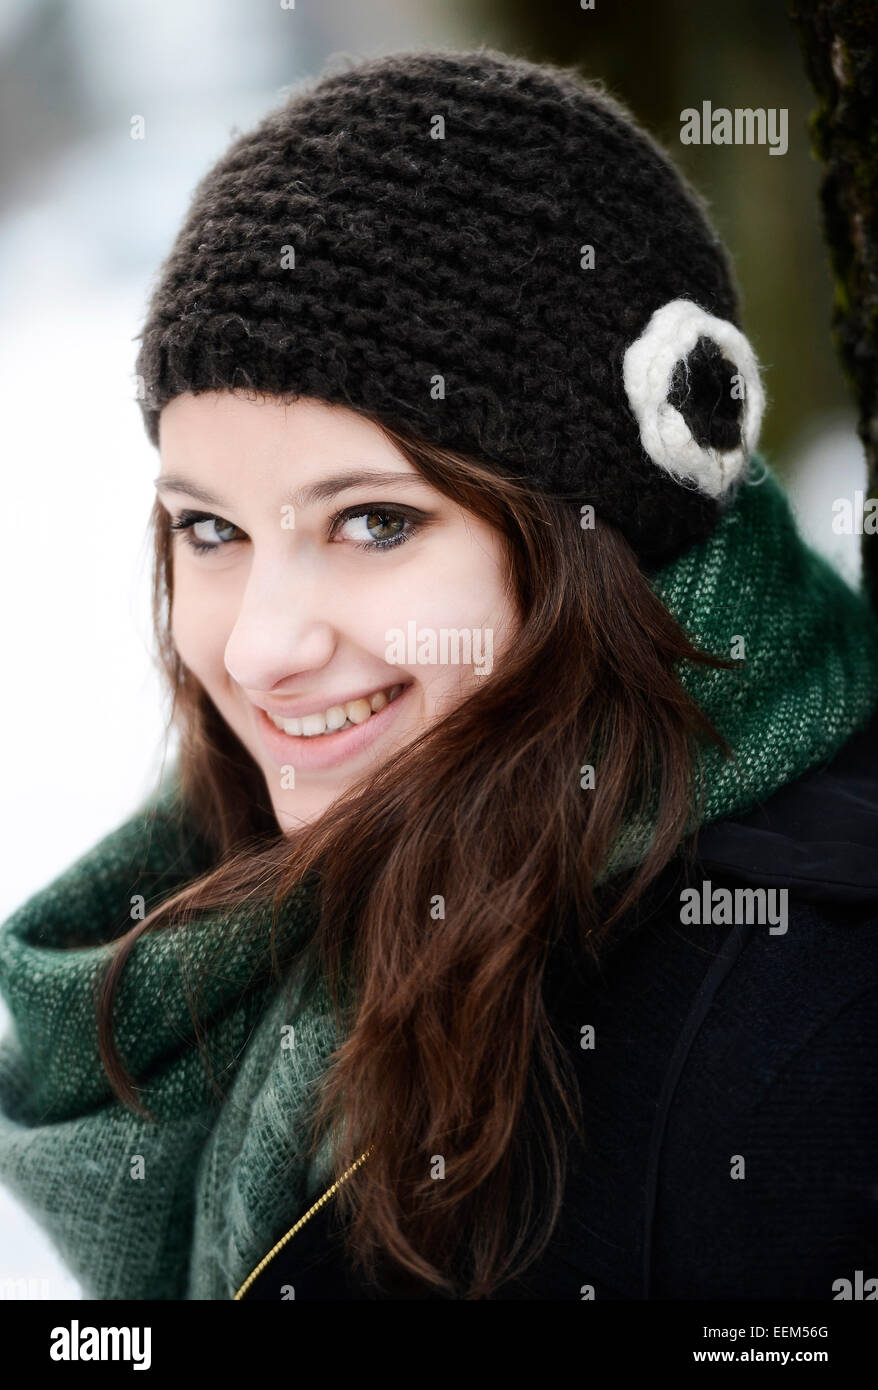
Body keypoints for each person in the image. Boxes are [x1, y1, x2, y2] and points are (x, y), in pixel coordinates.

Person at [1, 47, 877, 1302]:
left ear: (601, 530)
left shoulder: (794, 1040)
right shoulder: (267, 897)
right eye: (211, 529)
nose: (258, 646)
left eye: (372, 522)